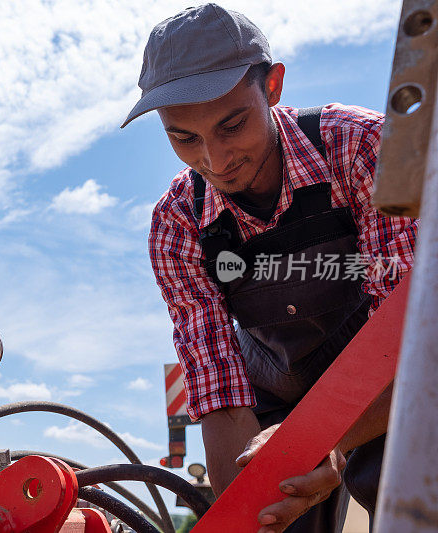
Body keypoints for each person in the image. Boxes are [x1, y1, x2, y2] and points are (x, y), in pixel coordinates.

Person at [120, 4, 419, 533]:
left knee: (397, 477)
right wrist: (246, 512)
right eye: (183, 138)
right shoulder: (177, 223)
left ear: (273, 86)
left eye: (231, 125)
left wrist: (323, 438)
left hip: (385, 381)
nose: (215, 159)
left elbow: (410, 339)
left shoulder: (361, 150)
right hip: (271, 405)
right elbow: (219, 395)